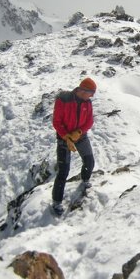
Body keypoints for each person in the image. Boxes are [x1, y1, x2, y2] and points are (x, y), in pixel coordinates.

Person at [51, 77, 96, 215]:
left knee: (89, 160)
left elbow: (89, 121)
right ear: (81, 89)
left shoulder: (87, 103)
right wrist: (67, 137)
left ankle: (85, 180)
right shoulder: (63, 99)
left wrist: (79, 132)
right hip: (64, 138)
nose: (88, 95)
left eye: (90, 93)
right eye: (87, 92)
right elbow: (57, 122)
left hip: (80, 136)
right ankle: (57, 202)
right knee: (63, 170)